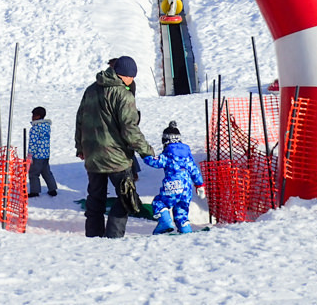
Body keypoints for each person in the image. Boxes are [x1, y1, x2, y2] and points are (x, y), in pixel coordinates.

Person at [74, 55, 154, 238]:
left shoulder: (91, 90)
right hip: (116, 158)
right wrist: (146, 151)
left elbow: (80, 120)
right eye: (131, 76)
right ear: (123, 74)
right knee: (126, 198)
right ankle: (113, 238)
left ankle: (93, 237)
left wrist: (80, 147)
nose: (132, 80)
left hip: (93, 154)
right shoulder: (123, 95)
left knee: (95, 198)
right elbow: (129, 129)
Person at [143, 121, 206, 234]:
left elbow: (155, 162)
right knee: (181, 213)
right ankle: (186, 230)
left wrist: (145, 156)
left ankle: (165, 223)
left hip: (173, 186)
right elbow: (195, 171)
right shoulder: (187, 157)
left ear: (165, 141)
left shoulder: (167, 155)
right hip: (186, 190)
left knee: (159, 202)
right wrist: (199, 185)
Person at [27, 106, 58, 198]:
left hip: (37, 155)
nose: (32, 117)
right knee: (46, 172)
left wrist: (30, 155)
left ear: (38, 116)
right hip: (45, 154)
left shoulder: (35, 129)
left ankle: (35, 191)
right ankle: (52, 189)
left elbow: (33, 143)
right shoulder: (46, 126)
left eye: (34, 115)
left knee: (33, 173)